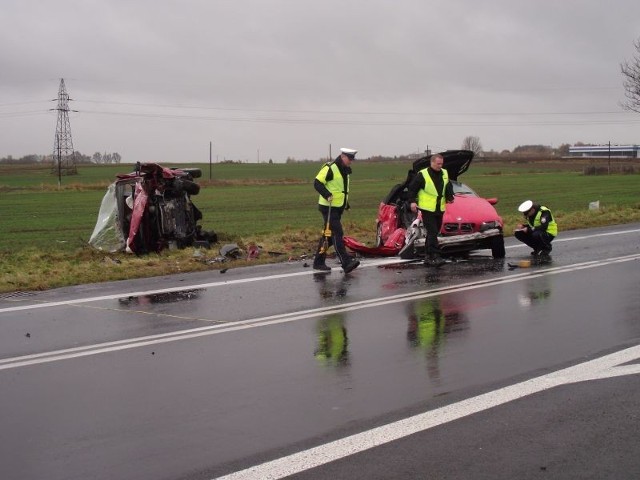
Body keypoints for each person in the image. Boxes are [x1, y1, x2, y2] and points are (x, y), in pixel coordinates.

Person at [312, 147, 360, 274]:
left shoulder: (344, 170)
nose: (351, 161)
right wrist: (327, 194)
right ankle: (346, 263)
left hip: (337, 207)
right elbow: (317, 183)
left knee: (328, 237)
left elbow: (340, 189)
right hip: (328, 207)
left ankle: (318, 262)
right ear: (342, 156)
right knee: (337, 233)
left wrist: (346, 204)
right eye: (349, 159)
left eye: (352, 159)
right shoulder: (330, 168)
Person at [407, 153, 454, 266]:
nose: (440, 166)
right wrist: (412, 202)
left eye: (441, 164)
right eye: (438, 164)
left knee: (434, 232)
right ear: (432, 162)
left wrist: (450, 196)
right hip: (427, 209)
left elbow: (447, 186)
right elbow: (412, 189)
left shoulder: (445, 173)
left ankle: (428, 256)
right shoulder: (423, 174)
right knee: (432, 232)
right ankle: (435, 255)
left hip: (440, 208)